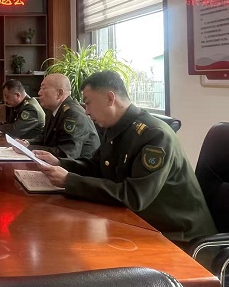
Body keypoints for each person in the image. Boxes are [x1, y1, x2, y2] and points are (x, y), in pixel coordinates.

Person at [34, 70, 217, 245]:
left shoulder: (155, 135)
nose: (86, 111)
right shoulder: (115, 128)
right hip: (138, 223)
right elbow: (97, 167)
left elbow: (134, 196)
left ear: (110, 98)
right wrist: (60, 163)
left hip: (178, 236)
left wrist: (69, 181)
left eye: (88, 103)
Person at [17, 73, 100, 158]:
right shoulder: (54, 110)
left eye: (43, 88)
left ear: (59, 93)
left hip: (78, 165)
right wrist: (27, 143)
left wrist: (27, 149)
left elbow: (66, 153)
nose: (39, 93)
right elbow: (45, 137)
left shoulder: (73, 114)